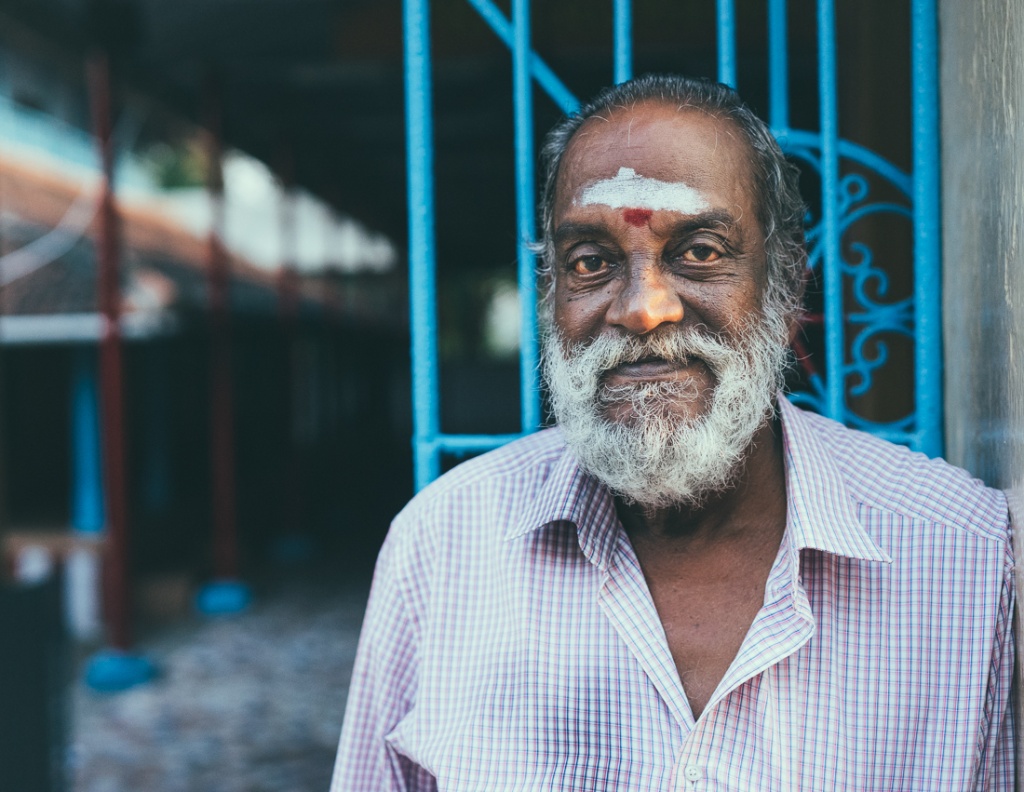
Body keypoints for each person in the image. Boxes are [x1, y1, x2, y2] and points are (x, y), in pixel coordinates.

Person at [331, 75, 1015, 790]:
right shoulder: (440, 551)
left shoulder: (966, 558)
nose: (643, 309)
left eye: (698, 252)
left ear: (784, 289)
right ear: (550, 297)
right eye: (591, 262)